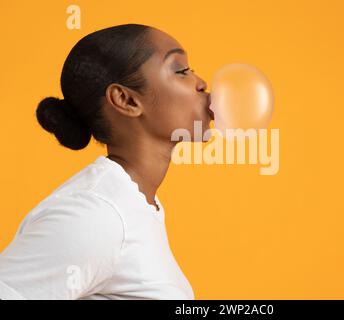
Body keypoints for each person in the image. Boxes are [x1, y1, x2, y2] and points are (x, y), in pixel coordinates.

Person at [0, 23, 214, 299]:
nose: (201, 82)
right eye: (181, 70)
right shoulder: (96, 213)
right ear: (126, 99)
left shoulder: (135, 204)